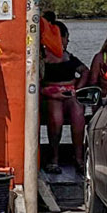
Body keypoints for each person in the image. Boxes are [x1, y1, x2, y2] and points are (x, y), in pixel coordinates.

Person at [41, 21, 86, 171]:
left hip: (70, 93)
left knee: (78, 113)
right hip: (51, 95)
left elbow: (85, 71)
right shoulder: (42, 58)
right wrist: (51, 92)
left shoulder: (69, 57)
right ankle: (54, 158)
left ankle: (79, 158)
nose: (67, 41)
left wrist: (77, 89)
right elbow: (35, 82)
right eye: (66, 38)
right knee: (56, 116)